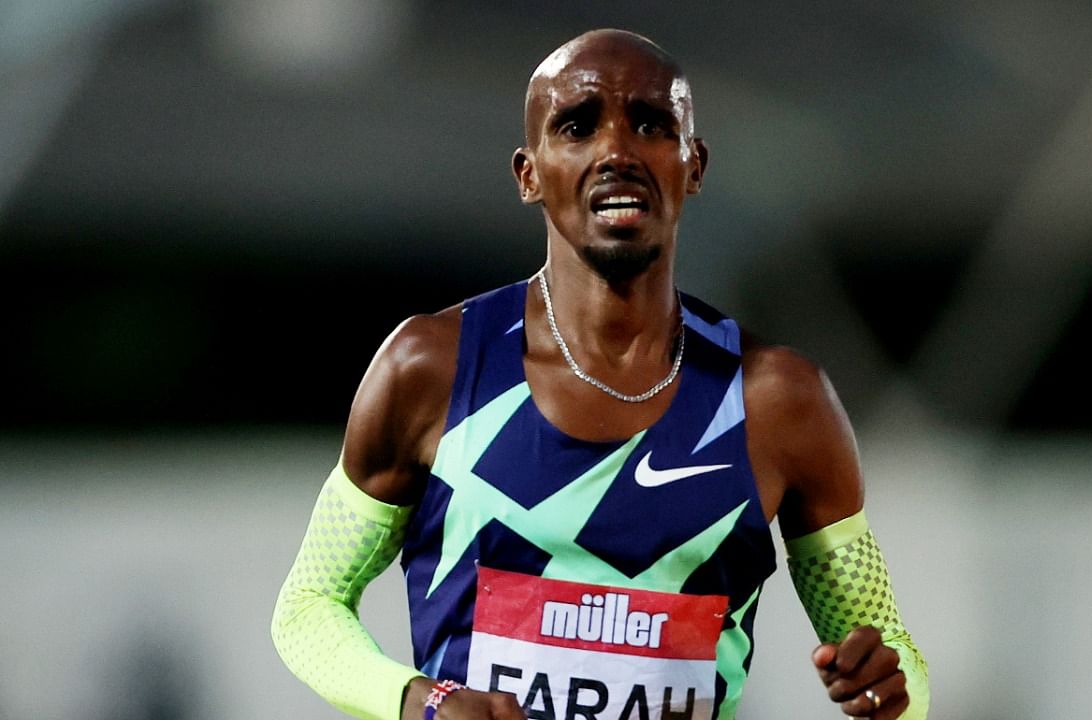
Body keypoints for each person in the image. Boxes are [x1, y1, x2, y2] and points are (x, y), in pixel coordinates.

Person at [271, 28, 928, 720]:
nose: (617, 151)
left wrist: (888, 697)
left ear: (693, 164)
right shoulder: (431, 369)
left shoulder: (778, 400)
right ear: (529, 174)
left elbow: (889, 654)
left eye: (651, 124)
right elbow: (308, 606)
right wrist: (417, 702)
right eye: (578, 126)